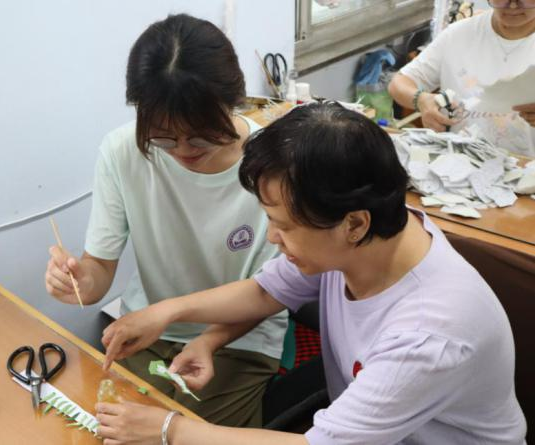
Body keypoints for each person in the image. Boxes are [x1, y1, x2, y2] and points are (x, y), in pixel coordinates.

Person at [96, 102, 526, 444]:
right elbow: (265, 292)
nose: (272, 238)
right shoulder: (378, 236)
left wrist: (169, 430)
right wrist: (168, 314)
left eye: (283, 226)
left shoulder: (427, 333)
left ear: (354, 225)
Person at [44, 14, 288, 427]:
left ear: (231, 101)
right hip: (145, 330)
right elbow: (99, 270)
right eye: (163, 136)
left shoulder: (273, 164)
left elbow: (273, 291)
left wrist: (199, 332)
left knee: (183, 434)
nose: (182, 150)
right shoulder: (122, 152)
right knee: (100, 426)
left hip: (239, 337)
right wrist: (80, 281)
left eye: (201, 135)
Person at [388, 0, 535, 156]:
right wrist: (421, 100)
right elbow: (399, 83)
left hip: (526, 165)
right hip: (459, 160)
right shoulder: (458, 35)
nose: (513, 5)